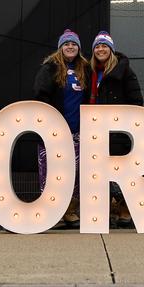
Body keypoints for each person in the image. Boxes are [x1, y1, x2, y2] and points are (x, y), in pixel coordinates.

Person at [87, 31, 144, 226]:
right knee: (100, 173)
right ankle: (104, 209)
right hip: (95, 131)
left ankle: (125, 209)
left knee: (121, 171)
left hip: (119, 131)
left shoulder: (124, 71)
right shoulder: (90, 73)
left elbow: (137, 101)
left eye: (104, 46)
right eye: (97, 46)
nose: (100, 49)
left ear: (111, 49)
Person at [33, 29, 89, 225]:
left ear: (79, 47)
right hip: (54, 132)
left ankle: (69, 210)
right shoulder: (50, 68)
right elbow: (41, 95)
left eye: (74, 44)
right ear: (60, 47)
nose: (70, 46)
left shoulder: (85, 69)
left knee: (75, 174)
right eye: (66, 44)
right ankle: (51, 212)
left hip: (78, 133)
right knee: (50, 173)